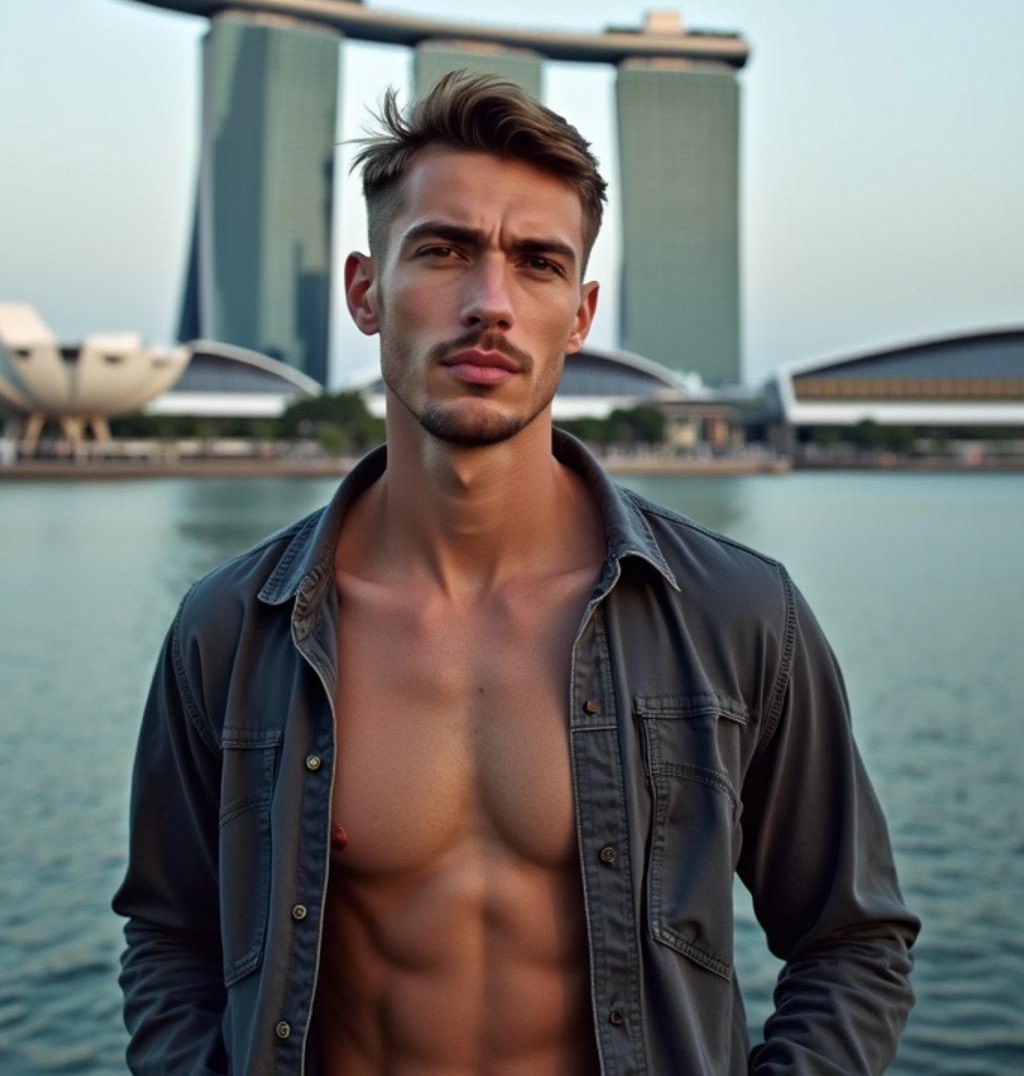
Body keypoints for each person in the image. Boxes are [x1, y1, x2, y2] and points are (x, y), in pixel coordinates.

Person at [113, 71, 918, 1075]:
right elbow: (169, 939)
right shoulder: (230, 628)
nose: (490, 303)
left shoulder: (736, 614)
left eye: (537, 264)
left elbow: (851, 941)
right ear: (365, 291)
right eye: (443, 250)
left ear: (578, 314)